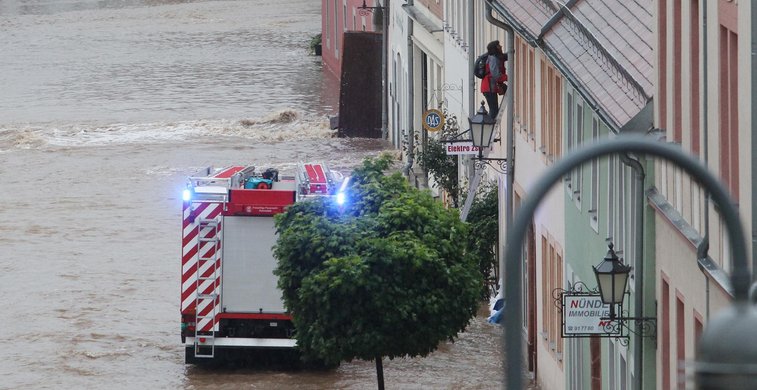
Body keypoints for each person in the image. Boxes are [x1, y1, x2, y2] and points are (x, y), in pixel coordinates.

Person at [480, 40, 508, 119]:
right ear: (495, 48)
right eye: (499, 46)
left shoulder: (496, 57)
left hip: (490, 86)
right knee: (494, 109)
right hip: (489, 87)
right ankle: (491, 126)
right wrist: (508, 77)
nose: (501, 47)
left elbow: (505, 57)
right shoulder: (493, 59)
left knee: (494, 108)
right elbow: (496, 75)